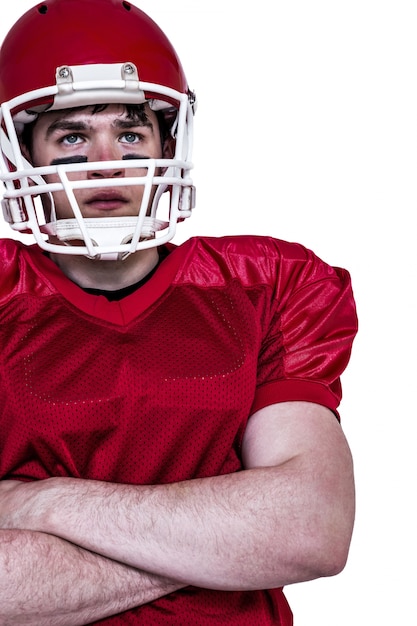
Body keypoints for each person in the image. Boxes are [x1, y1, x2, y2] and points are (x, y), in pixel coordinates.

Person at [0, 1, 358, 624]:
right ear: (24, 154)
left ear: (169, 139)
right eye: (73, 135)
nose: (106, 160)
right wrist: (228, 542)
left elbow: (310, 529)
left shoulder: (269, 285)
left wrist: (42, 505)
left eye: (130, 132)